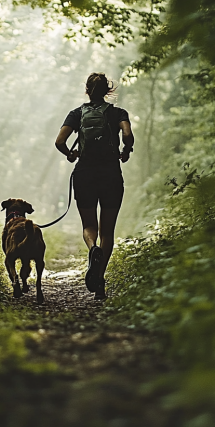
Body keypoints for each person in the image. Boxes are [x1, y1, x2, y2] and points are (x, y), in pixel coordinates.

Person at [54, 73, 134, 299]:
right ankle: (99, 278)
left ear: (87, 90)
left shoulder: (77, 113)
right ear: (107, 90)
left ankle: (92, 249)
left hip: (85, 173)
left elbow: (60, 141)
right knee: (107, 230)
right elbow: (128, 135)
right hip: (110, 173)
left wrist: (70, 154)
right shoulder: (119, 113)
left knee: (89, 225)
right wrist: (125, 152)